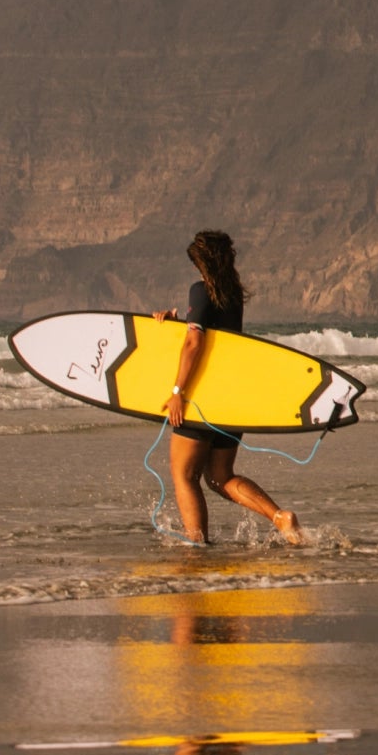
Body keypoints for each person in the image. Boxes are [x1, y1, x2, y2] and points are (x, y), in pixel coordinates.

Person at [154, 230, 304, 545]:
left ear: (202, 265)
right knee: (220, 477)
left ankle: (195, 544)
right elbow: (212, 326)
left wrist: (178, 393)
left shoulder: (200, 290)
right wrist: (177, 316)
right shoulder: (232, 296)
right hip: (231, 400)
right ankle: (280, 517)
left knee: (184, 476)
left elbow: (195, 343)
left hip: (201, 399)